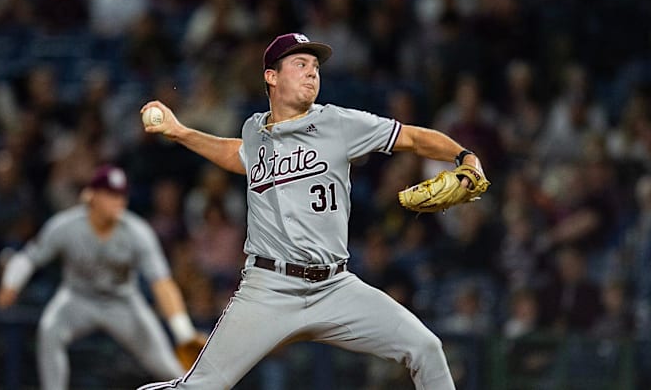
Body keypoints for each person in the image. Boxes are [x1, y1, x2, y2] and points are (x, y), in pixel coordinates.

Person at [137, 33, 488, 390]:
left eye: (315, 67)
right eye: (300, 64)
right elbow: (237, 154)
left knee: (426, 347)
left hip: (335, 286)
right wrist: (179, 132)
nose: (312, 74)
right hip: (269, 289)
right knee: (200, 387)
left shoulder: (338, 124)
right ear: (271, 77)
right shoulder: (254, 130)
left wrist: (465, 157)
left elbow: (411, 137)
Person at [0, 165, 203, 390]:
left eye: (121, 195)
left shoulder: (137, 231)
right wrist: (11, 284)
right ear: (91, 195)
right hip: (77, 299)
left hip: (123, 302)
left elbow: (162, 283)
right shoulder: (66, 226)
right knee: (49, 331)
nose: (118, 201)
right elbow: (30, 257)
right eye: (110, 194)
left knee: (168, 366)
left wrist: (183, 332)